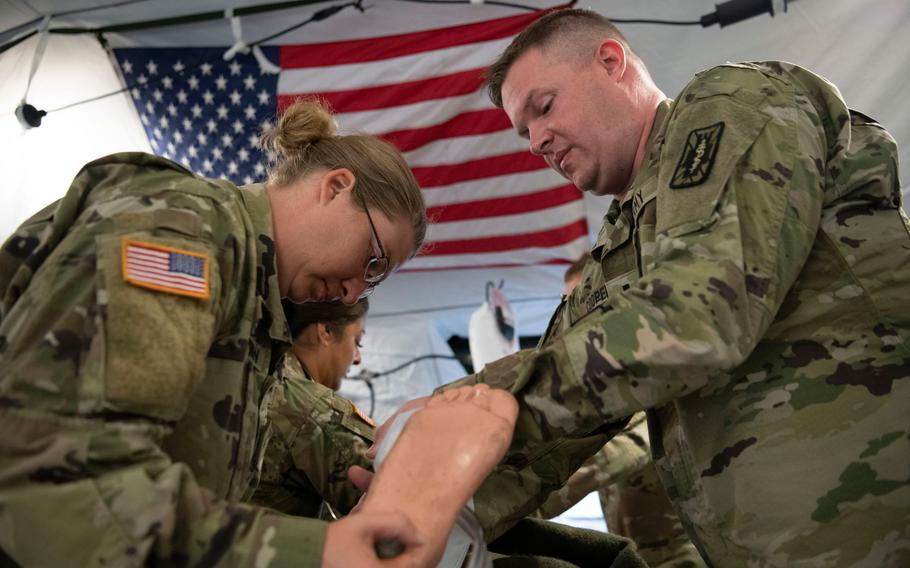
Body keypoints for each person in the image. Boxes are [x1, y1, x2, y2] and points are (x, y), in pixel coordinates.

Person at [377, 8, 910, 566]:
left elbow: (701, 314)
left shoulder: (730, 104)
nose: (535, 140)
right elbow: (563, 420)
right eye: (523, 130)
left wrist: (467, 415)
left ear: (611, 62)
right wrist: (407, 501)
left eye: (544, 106)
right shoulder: (621, 241)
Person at [0, 99, 429, 566]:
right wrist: (313, 553)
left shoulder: (251, 295)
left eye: (373, 282)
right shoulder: (183, 232)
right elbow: (63, 469)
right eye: (372, 262)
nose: (351, 295)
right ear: (336, 187)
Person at [536, 256, 704, 567]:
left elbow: (609, 457)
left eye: (583, 302)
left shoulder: (643, 380)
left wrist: (513, 506)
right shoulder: (598, 392)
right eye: (566, 302)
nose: (575, 317)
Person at [251, 298, 374, 518]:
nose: (357, 358)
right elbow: (403, 494)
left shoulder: (260, 371)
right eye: (357, 341)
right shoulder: (311, 408)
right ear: (326, 330)